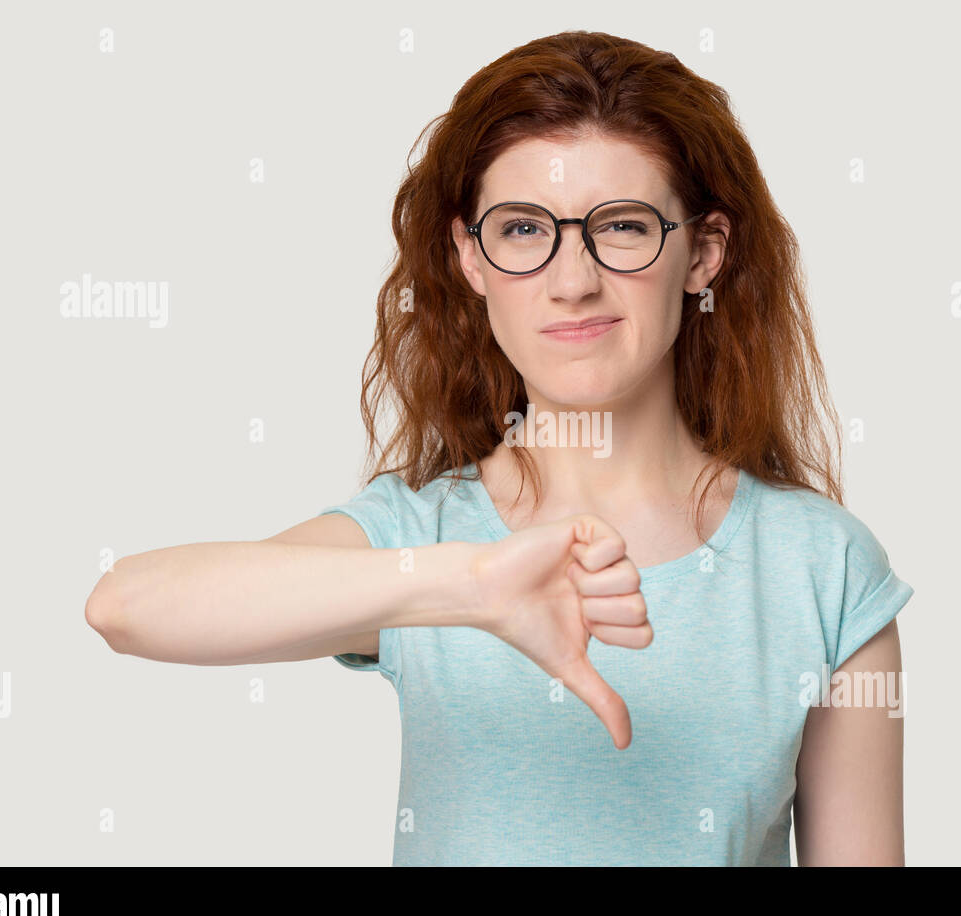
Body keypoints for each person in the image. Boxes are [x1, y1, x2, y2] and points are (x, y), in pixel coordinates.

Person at [85, 30, 915, 866]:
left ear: (702, 254)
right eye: (522, 231)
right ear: (469, 259)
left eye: (621, 227)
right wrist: (468, 583)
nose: (571, 280)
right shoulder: (421, 541)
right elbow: (127, 607)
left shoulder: (823, 570)